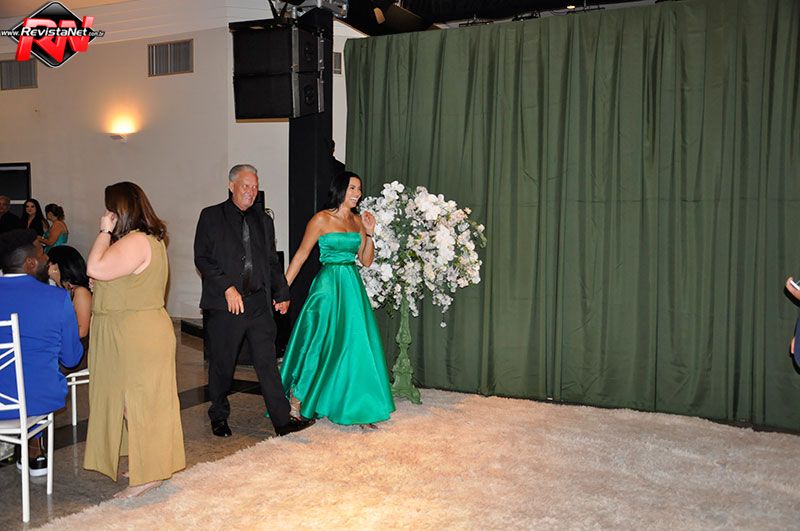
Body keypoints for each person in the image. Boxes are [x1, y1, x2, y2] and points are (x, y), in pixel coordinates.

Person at [194, 164, 314, 438]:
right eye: (246, 186)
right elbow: (202, 258)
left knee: (267, 362)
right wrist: (227, 287)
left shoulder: (264, 220)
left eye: (255, 187)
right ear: (231, 186)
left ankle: (282, 421)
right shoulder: (211, 216)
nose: (251, 191)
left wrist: (281, 292)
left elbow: (270, 262)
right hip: (227, 305)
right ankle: (219, 415)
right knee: (223, 364)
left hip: (258, 303)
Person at [83, 182, 184, 498]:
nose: (106, 214)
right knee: (133, 402)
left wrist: (103, 231)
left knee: (139, 404)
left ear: (120, 210)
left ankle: (149, 475)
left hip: (134, 335)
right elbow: (111, 278)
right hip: (132, 331)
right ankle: (148, 462)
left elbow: (94, 266)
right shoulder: (144, 240)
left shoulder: (137, 240)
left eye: (109, 209)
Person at [279, 171, 395, 426]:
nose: (357, 194)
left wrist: (370, 233)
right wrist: (282, 290)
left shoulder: (357, 221)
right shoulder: (321, 219)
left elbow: (366, 260)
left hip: (351, 287)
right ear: (341, 189)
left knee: (354, 345)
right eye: (353, 188)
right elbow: (301, 255)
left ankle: (358, 406)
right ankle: (296, 401)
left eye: (359, 189)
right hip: (328, 287)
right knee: (318, 342)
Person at [0, 229, 83, 475]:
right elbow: (71, 359)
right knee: (48, 367)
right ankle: (34, 447)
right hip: (35, 400)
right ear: (30, 263)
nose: (47, 258)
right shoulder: (56, 297)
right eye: (41, 252)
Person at [47, 245, 92, 357]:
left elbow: (82, 331)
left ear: (56, 267)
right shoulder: (58, 290)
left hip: (76, 351)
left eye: (48, 262)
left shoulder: (80, 292)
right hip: (64, 348)